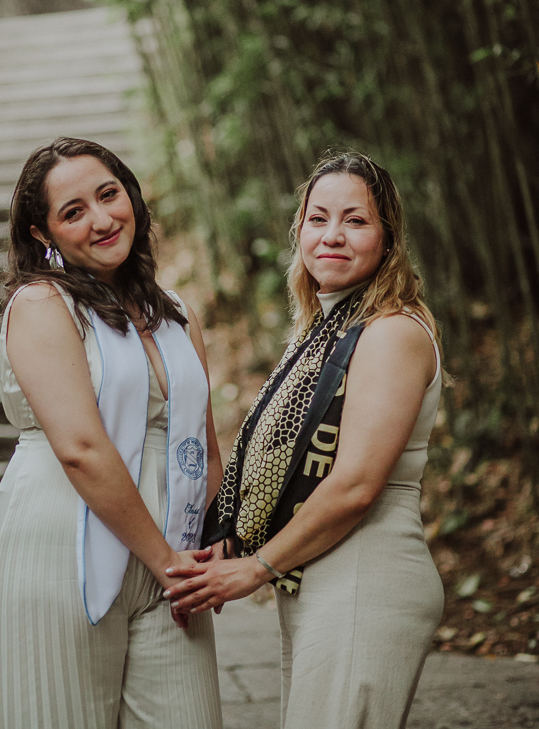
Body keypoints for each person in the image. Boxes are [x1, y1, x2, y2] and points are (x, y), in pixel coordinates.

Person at [165, 151, 445, 729]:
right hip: (324, 581)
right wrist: (231, 538)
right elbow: (283, 461)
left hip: (365, 578)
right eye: (318, 219)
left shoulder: (391, 333)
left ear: (388, 238)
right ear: (299, 232)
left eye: (356, 220)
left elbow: (357, 484)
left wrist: (257, 567)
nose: (333, 236)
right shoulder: (327, 329)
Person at [0, 137, 223, 729]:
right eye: (73, 211)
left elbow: (206, 447)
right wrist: (166, 561)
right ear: (44, 235)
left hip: (171, 562)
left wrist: (207, 548)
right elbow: (81, 450)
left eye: (109, 194)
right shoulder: (42, 306)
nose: (103, 219)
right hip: (61, 551)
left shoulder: (174, 312)